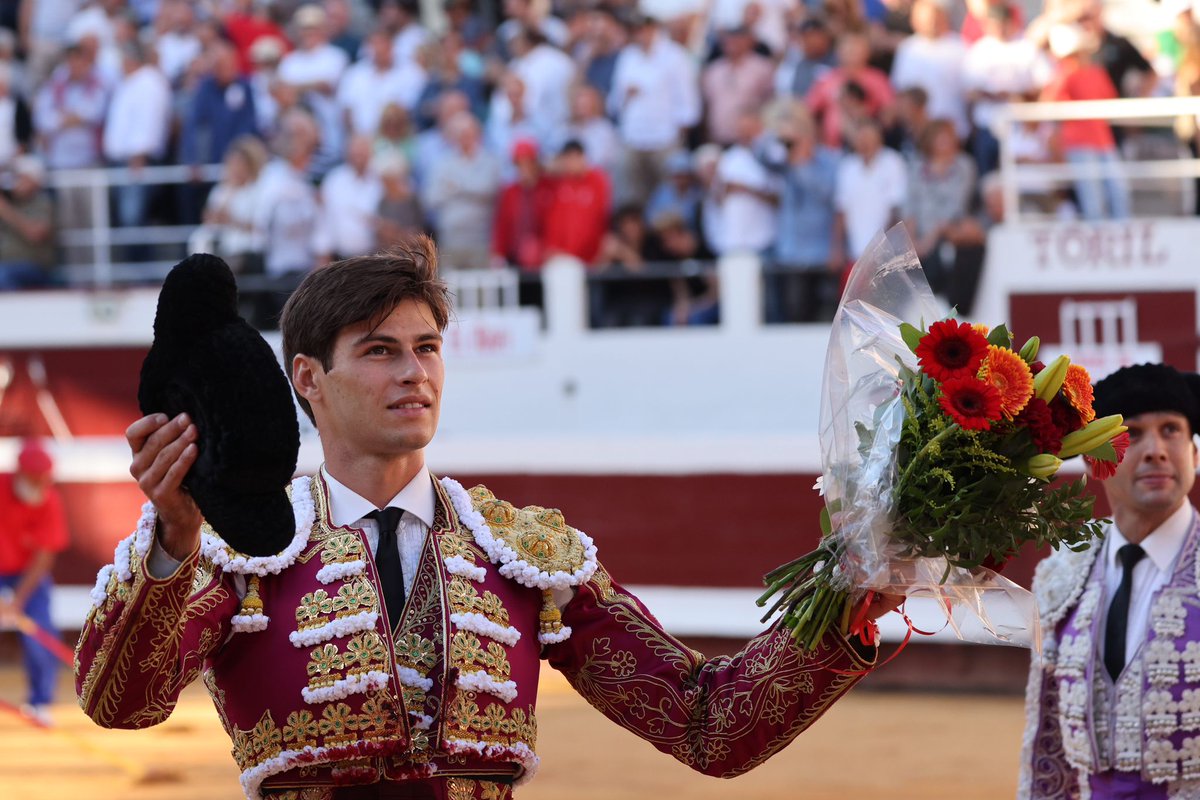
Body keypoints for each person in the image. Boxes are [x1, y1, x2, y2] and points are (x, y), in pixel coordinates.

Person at [75, 242, 890, 798]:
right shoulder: (241, 551)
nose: (413, 373)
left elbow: (707, 724)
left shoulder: (524, 553)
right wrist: (174, 537)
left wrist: (854, 596)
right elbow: (122, 704)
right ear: (309, 378)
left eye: (427, 348)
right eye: (379, 350)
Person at [1020, 362, 1200, 798]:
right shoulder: (1062, 574)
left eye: (1171, 429)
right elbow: (1050, 749)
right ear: (1095, 461)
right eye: (1132, 434)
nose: (1156, 450)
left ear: (1194, 453)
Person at [0, 439, 69, 727]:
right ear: (20, 472)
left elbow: (43, 558)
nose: (41, 483)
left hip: (27, 576)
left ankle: (40, 702)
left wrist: (16, 600)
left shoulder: (49, 500)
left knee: (40, 635)